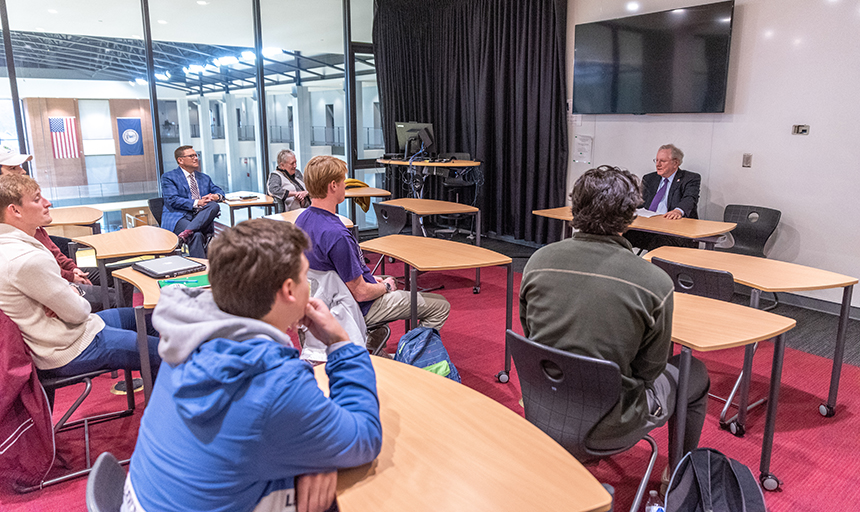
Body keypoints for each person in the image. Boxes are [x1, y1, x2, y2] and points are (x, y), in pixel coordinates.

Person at [123, 218, 382, 512]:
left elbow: (254, 433)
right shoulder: (273, 383)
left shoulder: (186, 338)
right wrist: (341, 343)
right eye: (306, 278)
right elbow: (364, 436)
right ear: (289, 290)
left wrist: (312, 450)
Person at [519, 166, 709, 471]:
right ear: (630, 216)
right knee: (694, 372)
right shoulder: (655, 281)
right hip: (612, 422)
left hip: (542, 405)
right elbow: (650, 370)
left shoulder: (538, 261)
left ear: (574, 209)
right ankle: (678, 475)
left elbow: (530, 333)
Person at [0, 174, 160, 380]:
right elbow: (78, 312)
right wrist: (73, 292)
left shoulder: (14, 244)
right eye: (38, 198)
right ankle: (165, 407)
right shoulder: (26, 258)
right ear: (15, 210)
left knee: (152, 319)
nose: (48, 203)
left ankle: (156, 393)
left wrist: (67, 293)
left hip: (67, 333)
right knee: (168, 353)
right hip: (67, 348)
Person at [296, 156, 450, 338]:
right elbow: (360, 293)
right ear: (333, 186)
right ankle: (412, 354)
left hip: (325, 303)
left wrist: (372, 280)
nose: (345, 185)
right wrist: (385, 287)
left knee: (385, 278)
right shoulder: (337, 235)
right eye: (342, 181)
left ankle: (374, 345)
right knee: (440, 305)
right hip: (356, 308)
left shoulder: (301, 221)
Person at [0, 147, 125, 310]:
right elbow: (43, 270)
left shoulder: (33, 225)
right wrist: (70, 277)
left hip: (59, 274)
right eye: (13, 168)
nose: (22, 171)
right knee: (113, 297)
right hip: (53, 285)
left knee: (119, 277)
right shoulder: (14, 241)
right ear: (14, 210)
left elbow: (52, 251)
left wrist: (73, 270)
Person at [625, 143, 701, 251]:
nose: (658, 164)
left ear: (675, 163)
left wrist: (678, 211)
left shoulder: (690, 178)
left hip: (673, 231)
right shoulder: (649, 178)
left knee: (659, 243)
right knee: (621, 234)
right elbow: (639, 201)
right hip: (648, 228)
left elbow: (690, 198)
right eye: (656, 160)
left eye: (663, 161)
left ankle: (650, 267)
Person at [160, 145, 225, 257]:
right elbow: (172, 200)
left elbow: (219, 191)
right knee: (196, 235)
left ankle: (187, 232)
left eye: (196, 155)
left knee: (214, 205)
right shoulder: (169, 177)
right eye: (191, 156)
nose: (196, 158)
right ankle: (203, 268)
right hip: (179, 216)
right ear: (180, 160)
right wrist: (197, 203)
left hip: (200, 216)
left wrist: (215, 196)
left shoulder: (204, 178)